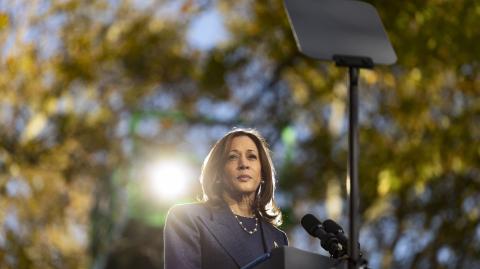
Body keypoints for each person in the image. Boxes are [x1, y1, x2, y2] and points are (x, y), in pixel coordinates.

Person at [164, 128, 288, 269]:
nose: (243, 164)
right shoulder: (188, 218)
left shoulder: (278, 238)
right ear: (217, 173)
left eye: (252, 157)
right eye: (232, 157)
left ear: (263, 173)